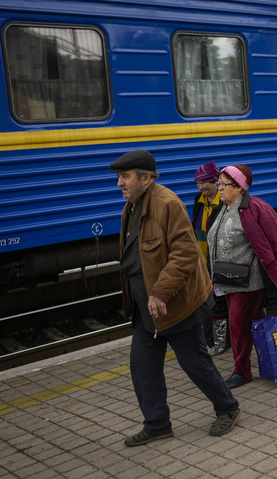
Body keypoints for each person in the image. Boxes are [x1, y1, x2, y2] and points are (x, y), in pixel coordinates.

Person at [110, 150, 241, 446]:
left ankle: (228, 408)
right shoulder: (132, 205)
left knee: (194, 362)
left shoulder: (166, 203)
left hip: (175, 304)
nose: (119, 183)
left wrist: (160, 291)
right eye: (118, 177)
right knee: (142, 366)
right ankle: (157, 424)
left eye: (125, 176)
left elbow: (185, 254)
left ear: (146, 177)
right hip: (147, 308)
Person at [208, 164, 277, 389]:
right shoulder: (222, 209)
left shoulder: (257, 208)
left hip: (249, 282)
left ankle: (242, 371)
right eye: (219, 184)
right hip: (226, 278)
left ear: (239, 187)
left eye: (224, 184)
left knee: (238, 326)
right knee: (247, 324)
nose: (219, 188)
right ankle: (267, 360)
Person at [191, 160, 230, 355]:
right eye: (197, 183)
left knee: (221, 302)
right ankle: (214, 341)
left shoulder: (224, 202)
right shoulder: (199, 201)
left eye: (203, 183)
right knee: (208, 302)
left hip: (221, 260)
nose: (200, 187)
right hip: (203, 260)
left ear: (215, 181)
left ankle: (221, 340)